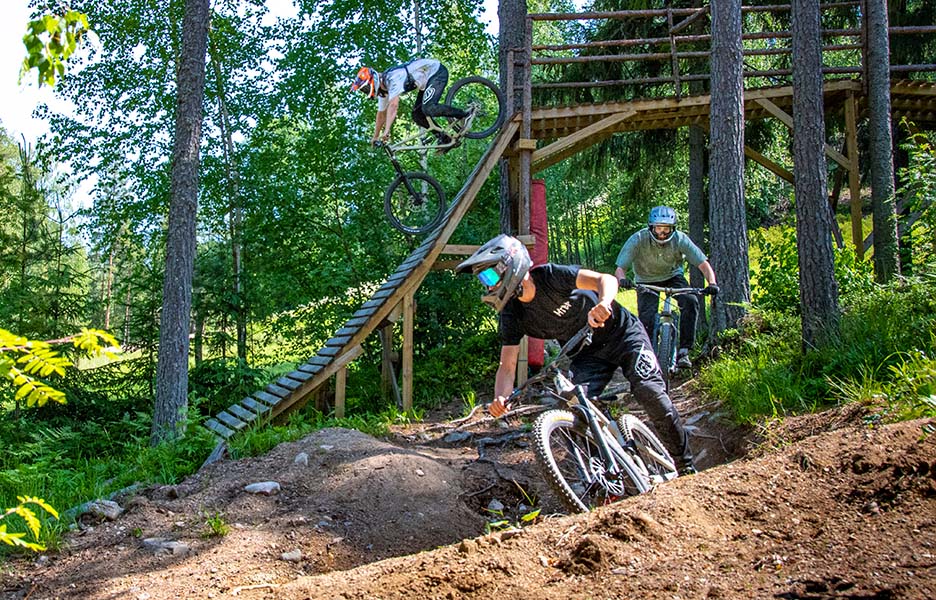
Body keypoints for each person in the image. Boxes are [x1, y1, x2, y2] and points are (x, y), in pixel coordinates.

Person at [457, 234, 697, 475]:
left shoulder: (550, 276)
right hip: (587, 354)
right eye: (482, 279)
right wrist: (500, 398)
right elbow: (507, 367)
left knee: (649, 391)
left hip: (623, 335)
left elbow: (606, 279)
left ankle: (685, 465)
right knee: (576, 410)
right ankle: (605, 477)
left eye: (489, 276)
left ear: (510, 265)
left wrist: (604, 303)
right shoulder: (511, 314)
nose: (488, 286)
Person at [614, 205, 718, 369]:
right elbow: (620, 268)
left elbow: (702, 263)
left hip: (673, 277)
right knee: (646, 318)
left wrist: (712, 283)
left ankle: (684, 351)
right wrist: (622, 280)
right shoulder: (638, 239)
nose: (662, 234)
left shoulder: (680, 239)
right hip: (645, 280)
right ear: (651, 228)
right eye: (658, 229)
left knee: (690, 301)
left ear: (673, 229)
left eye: (666, 230)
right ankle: (646, 357)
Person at [350, 58, 468, 151]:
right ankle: (445, 138)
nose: (365, 92)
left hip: (436, 72)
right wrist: (375, 136)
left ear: (373, 81)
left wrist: (386, 131)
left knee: (429, 108)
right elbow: (381, 114)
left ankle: (463, 114)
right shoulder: (383, 90)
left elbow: (393, 106)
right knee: (417, 115)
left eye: (365, 89)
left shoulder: (392, 78)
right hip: (425, 83)